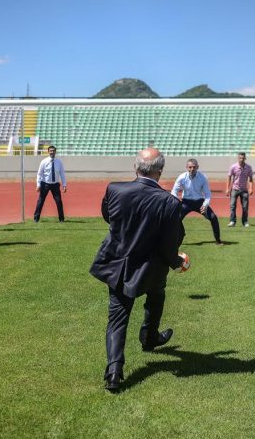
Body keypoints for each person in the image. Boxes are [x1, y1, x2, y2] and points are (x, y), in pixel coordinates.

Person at [90, 147, 188, 393]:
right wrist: (178, 261)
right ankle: (149, 336)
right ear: (160, 171)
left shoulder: (114, 189)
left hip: (119, 266)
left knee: (117, 318)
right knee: (156, 295)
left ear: (136, 168)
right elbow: (170, 246)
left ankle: (114, 370)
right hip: (150, 268)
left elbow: (108, 217)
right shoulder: (170, 203)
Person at [171, 158, 223, 245]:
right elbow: (174, 191)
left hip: (200, 203)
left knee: (213, 218)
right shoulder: (182, 177)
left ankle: (218, 240)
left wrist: (205, 205)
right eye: (190, 167)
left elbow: (207, 194)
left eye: (194, 167)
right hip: (186, 203)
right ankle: (176, 239)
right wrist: (177, 202)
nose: (192, 169)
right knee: (175, 219)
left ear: (197, 167)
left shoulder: (203, 177)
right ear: (186, 167)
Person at [33, 145, 66, 223]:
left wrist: (64, 185)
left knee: (59, 202)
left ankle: (61, 219)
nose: (52, 152)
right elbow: (39, 174)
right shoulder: (44, 161)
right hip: (45, 184)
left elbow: (62, 174)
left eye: (53, 151)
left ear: (55, 152)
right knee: (40, 201)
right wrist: (38, 185)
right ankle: (36, 218)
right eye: (50, 151)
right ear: (48, 152)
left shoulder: (59, 162)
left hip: (55, 185)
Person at [225, 152, 254, 227]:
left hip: (244, 190)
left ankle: (245, 222)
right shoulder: (233, 167)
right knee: (232, 206)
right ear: (238, 158)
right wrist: (227, 189)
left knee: (245, 207)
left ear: (245, 158)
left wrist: (251, 188)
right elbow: (229, 177)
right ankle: (232, 221)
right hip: (234, 189)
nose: (241, 159)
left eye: (243, 158)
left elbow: (250, 179)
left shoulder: (249, 167)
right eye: (240, 158)